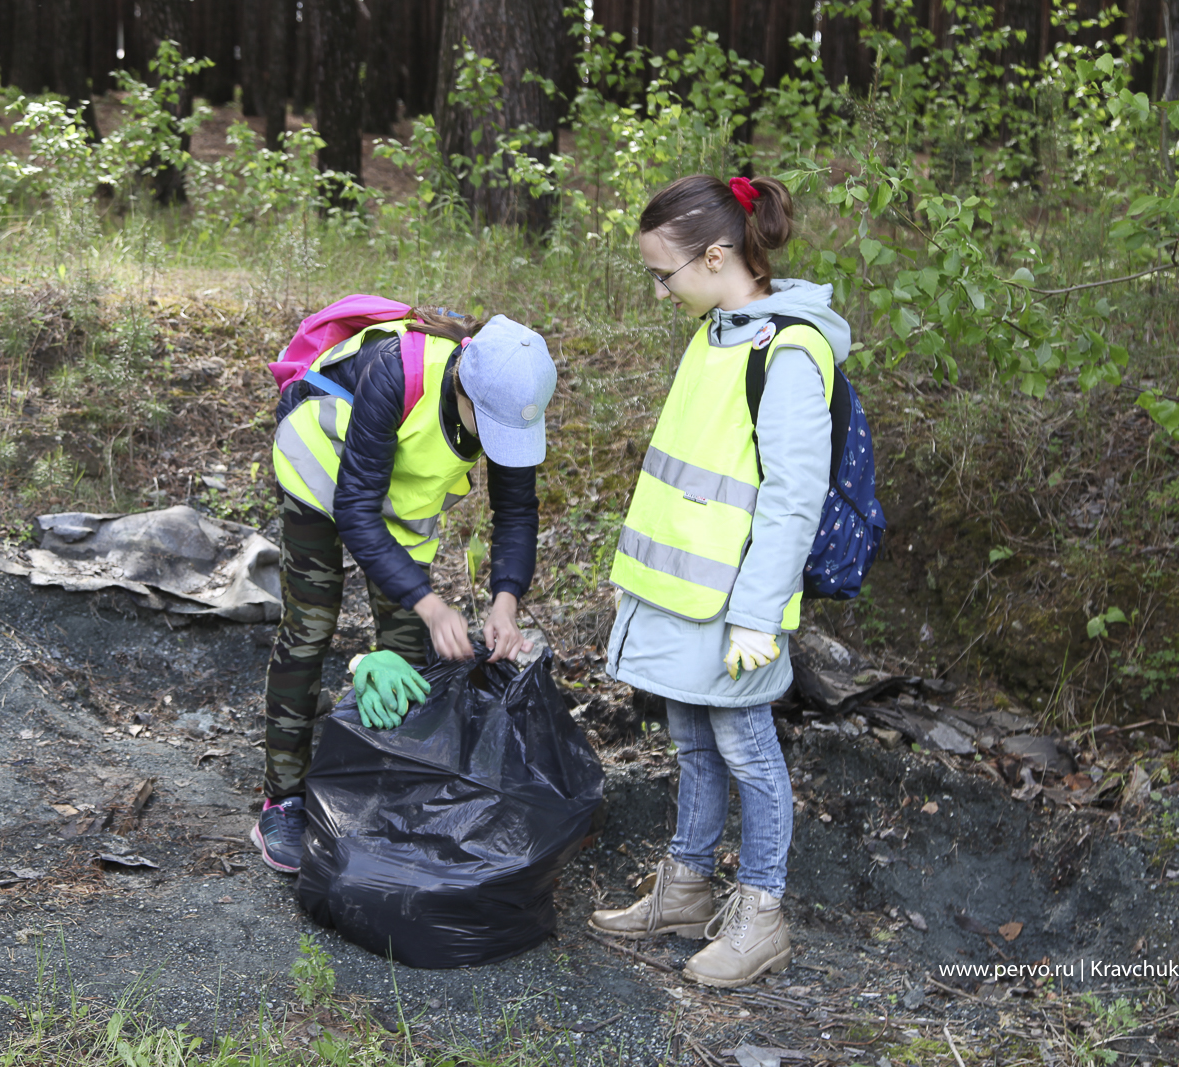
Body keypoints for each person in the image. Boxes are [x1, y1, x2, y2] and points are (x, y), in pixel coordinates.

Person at [591, 174, 852, 988]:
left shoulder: (789, 351)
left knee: (746, 748)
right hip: (682, 595)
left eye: (662, 274)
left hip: (736, 604)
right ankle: (687, 887)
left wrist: (757, 615)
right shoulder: (718, 331)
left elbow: (792, 499)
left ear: (714, 256)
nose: (658, 290)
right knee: (693, 741)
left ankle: (762, 915)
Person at [251, 306, 557, 874]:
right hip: (320, 468)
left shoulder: (507, 399)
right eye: (490, 431)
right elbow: (355, 511)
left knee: (406, 648)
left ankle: (386, 784)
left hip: (393, 491)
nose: (499, 446)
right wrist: (432, 604)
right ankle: (283, 798)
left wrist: (505, 602)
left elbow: (517, 510)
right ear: (463, 388)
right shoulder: (396, 372)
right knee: (312, 625)